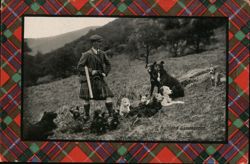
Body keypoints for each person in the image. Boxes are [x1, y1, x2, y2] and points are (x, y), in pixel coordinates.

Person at [77, 34, 114, 120]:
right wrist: (91, 71)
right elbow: (79, 67)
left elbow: (108, 64)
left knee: (108, 96)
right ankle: (86, 116)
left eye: (100, 42)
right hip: (89, 79)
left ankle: (111, 115)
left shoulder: (102, 53)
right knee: (87, 98)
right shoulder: (86, 54)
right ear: (93, 43)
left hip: (99, 78)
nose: (100, 44)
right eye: (98, 42)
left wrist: (105, 73)